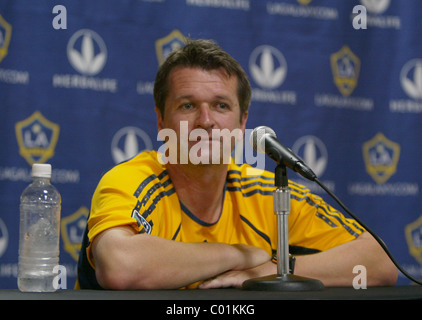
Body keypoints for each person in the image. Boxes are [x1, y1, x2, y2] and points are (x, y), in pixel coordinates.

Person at [75, 39, 397, 290]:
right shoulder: (133, 179)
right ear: (161, 121)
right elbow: (118, 265)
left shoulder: (267, 193)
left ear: (242, 123)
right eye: (188, 105)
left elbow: (381, 262)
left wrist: (271, 269)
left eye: (221, 106)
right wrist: (238, 255)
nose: (206, 121)